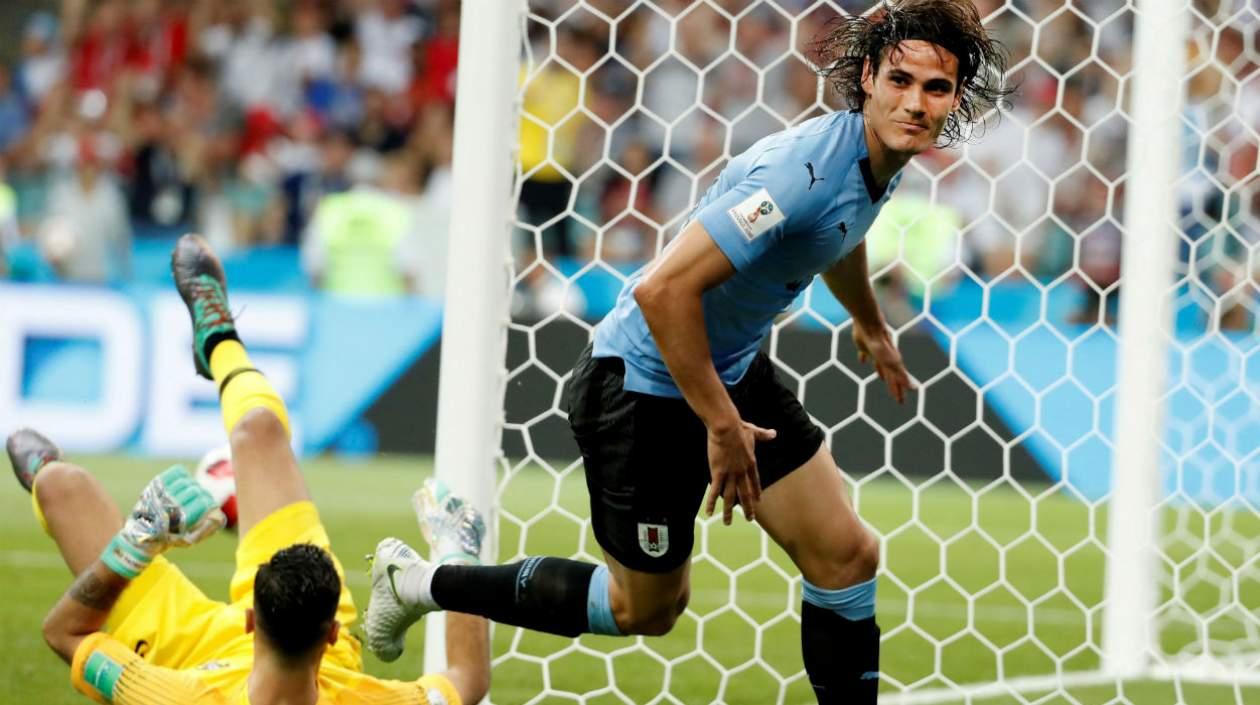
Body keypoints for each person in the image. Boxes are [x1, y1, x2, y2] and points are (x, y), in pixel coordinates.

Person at [366, 1, 1011, 703]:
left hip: (727, 368)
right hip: (640, 386)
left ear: (955, 100)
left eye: (935, 88)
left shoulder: (877, 158)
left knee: (847, 554)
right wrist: (723, 425)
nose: (915, 103)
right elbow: (662, 291)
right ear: (867, 79)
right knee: (645, 609)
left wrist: (870, 322)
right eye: (900, 81)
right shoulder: (800, 174)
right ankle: (421, 582)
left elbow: (838, 233)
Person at [9, 233, 490, 705]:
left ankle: (222, 350)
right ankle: (215, 342)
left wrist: (458, 555)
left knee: (60, 486)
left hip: (186, 654)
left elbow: (64, 631)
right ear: (332, 633)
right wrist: (134, 544)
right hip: (269, 660)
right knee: (257, 430)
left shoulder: (177, 694)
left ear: (250, 620)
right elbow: (466, 679)